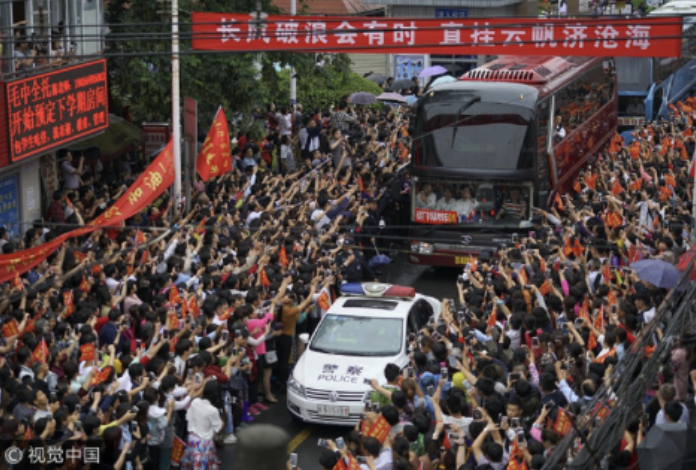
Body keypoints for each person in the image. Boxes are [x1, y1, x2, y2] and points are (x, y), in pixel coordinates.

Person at [181, 381, 223, 470]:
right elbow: (218, 428)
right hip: (205, 444)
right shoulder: (213, 410)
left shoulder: (195, 402)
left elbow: (188, 417)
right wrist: (224, 417)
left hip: (191, 440)